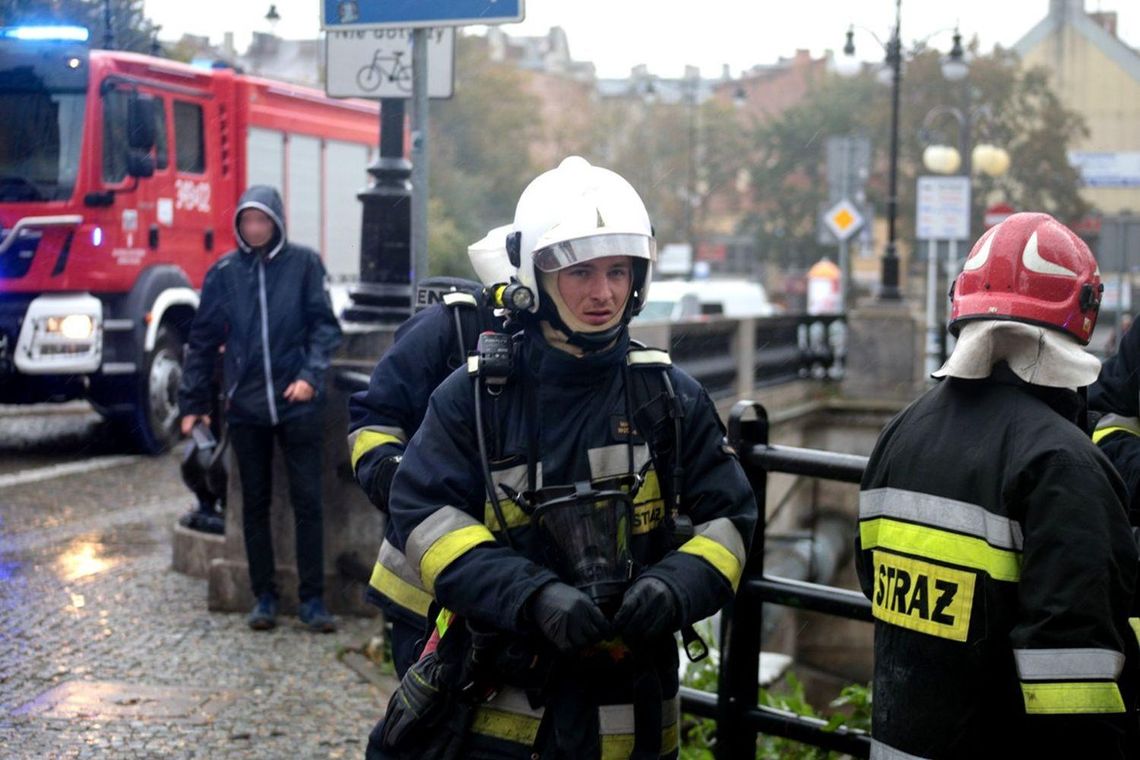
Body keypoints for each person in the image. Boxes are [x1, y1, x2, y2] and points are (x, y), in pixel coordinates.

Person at [370, 156, 757, 759]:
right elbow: (423, 518)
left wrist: (675, 586)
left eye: (617, 271)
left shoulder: (669, 396)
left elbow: (731, 521)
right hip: (498, 714)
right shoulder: (476, 399)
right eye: (579, 272)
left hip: (633, 712)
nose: (602, 293)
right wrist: (531, 597)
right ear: (537, 278)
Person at [856, 212, 1139, 758]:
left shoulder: (900, 434)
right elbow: (1073, 683)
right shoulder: (1065, 465)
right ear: (1082, 311)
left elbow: (874, 581)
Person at [348, 226, 513, 677]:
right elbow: (373, 419)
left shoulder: (569, 352)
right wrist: (401, 481)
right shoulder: (448, 327)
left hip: (508, 594)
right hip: (420, 592)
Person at [178, 185, 343, 633]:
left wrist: (309, 377)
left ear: (277, 223)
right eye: (248, 221)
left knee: (308, 501)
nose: (255, 229)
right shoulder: (225, 273)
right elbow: (202, 342)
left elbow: (325, 328)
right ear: (239, 226)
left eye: (262, 221)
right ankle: (263, 596)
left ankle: (312, 600)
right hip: (246, 407)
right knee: (253, 503)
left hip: (298, 406)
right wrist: (193, 403)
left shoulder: (304, 265)